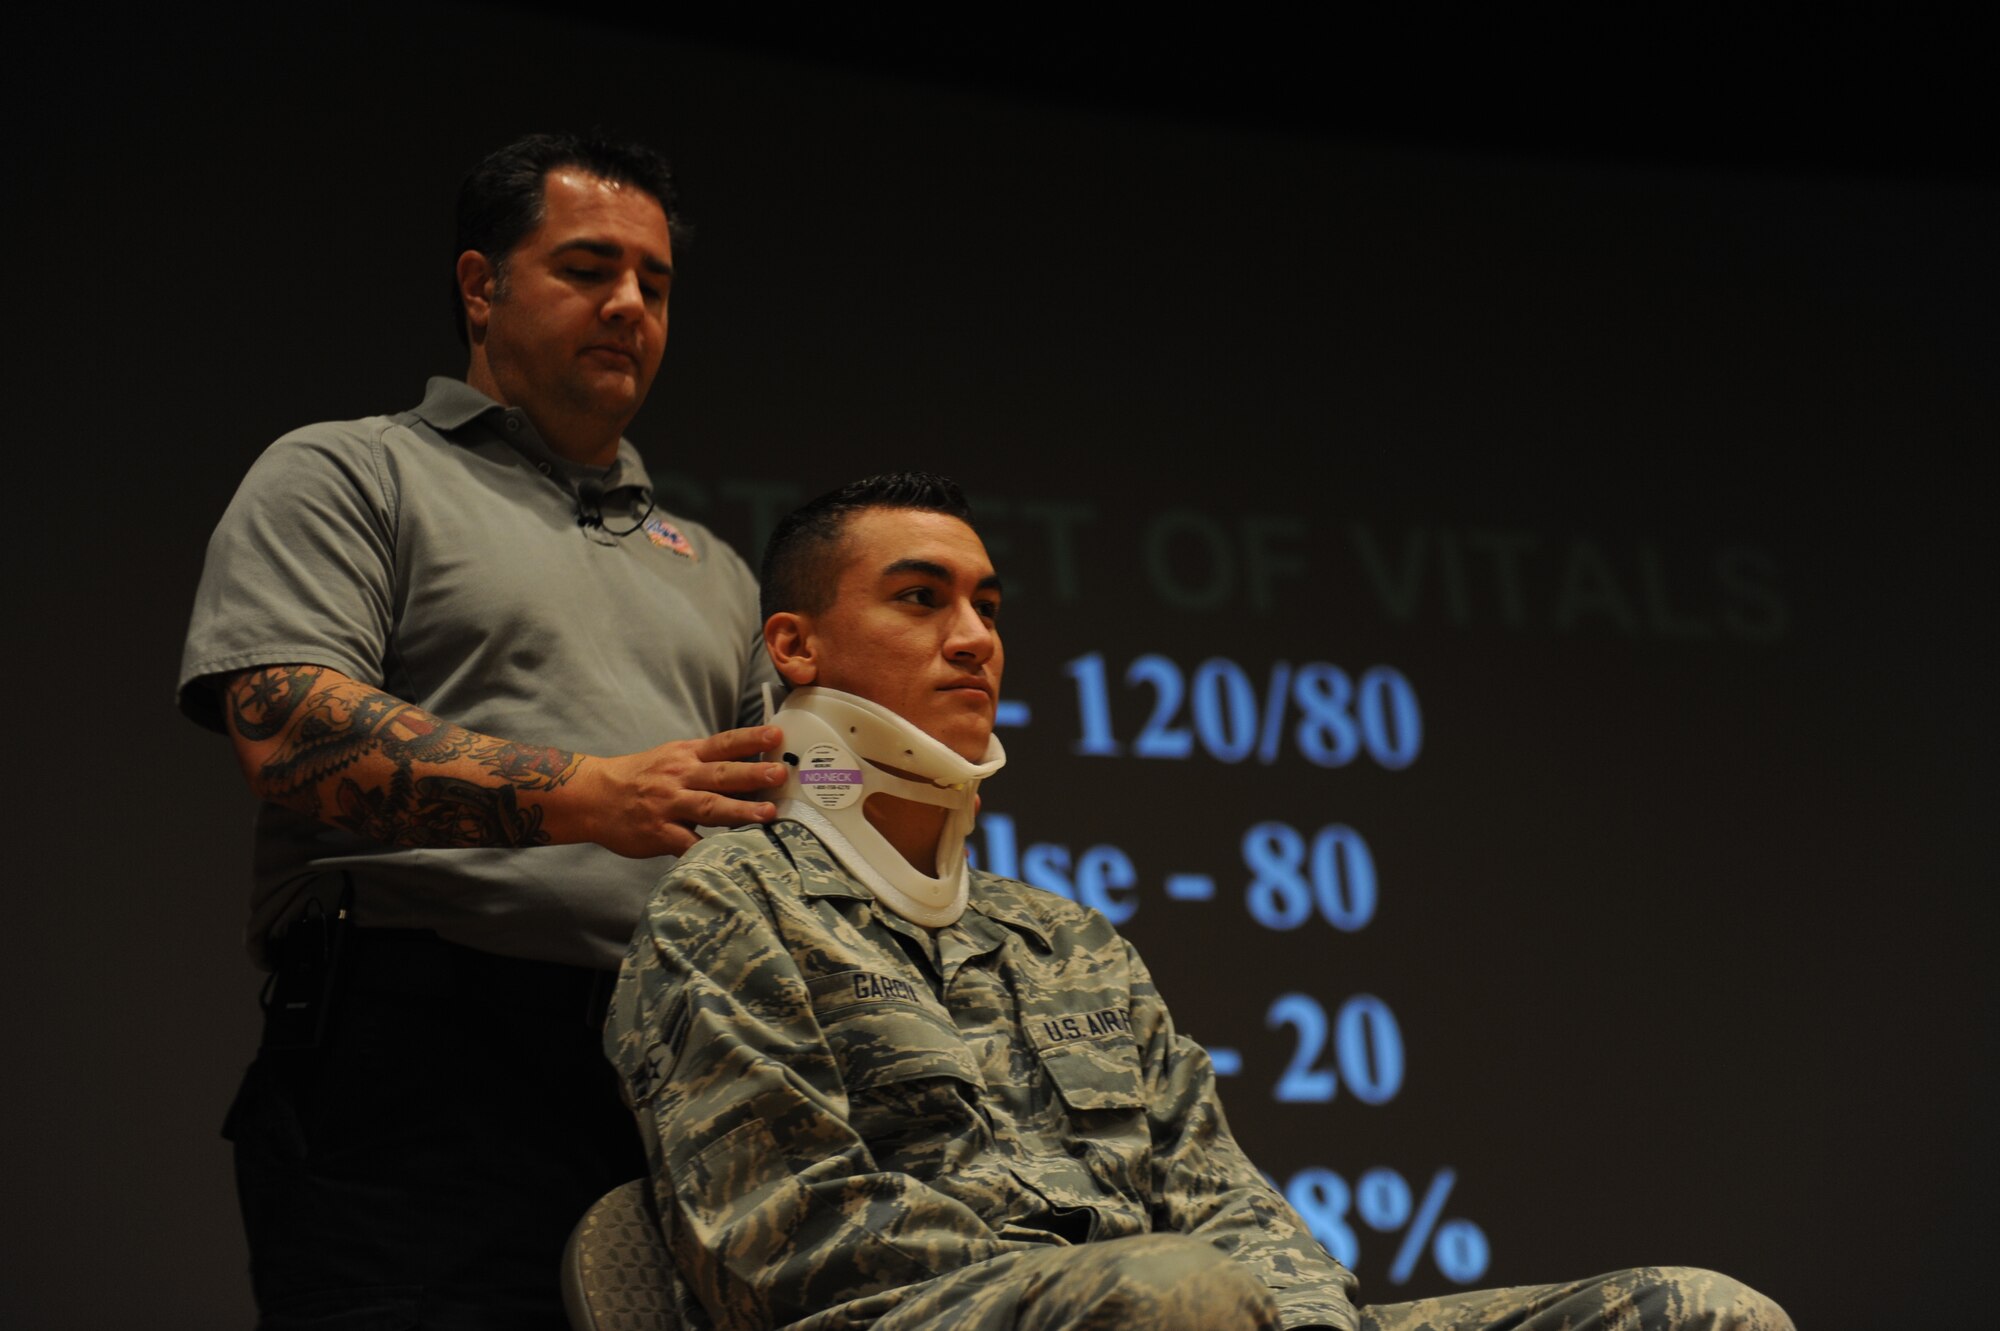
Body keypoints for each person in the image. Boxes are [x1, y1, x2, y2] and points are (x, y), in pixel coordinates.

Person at [605, 472, 1794, 1331]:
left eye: (987, 604)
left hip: (1190, 1311)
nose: (974, 638)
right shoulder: (727, 908)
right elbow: (777, 1247)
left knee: (1700, 1312)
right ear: (795, 648)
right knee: (1177, 1293)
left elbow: (1224, 1194)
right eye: (920, 598)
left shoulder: (1061, 936)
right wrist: (1115, 1290)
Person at [178, 131, 791, 1329]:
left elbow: (780, 826)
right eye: (586, 267)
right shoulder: (352, 472)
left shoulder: (716, 572)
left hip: (672, 1077)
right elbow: (286, 725)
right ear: (479, 285)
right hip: (418, 1062)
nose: (627, 303)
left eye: (653, 284)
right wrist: (588, 796)